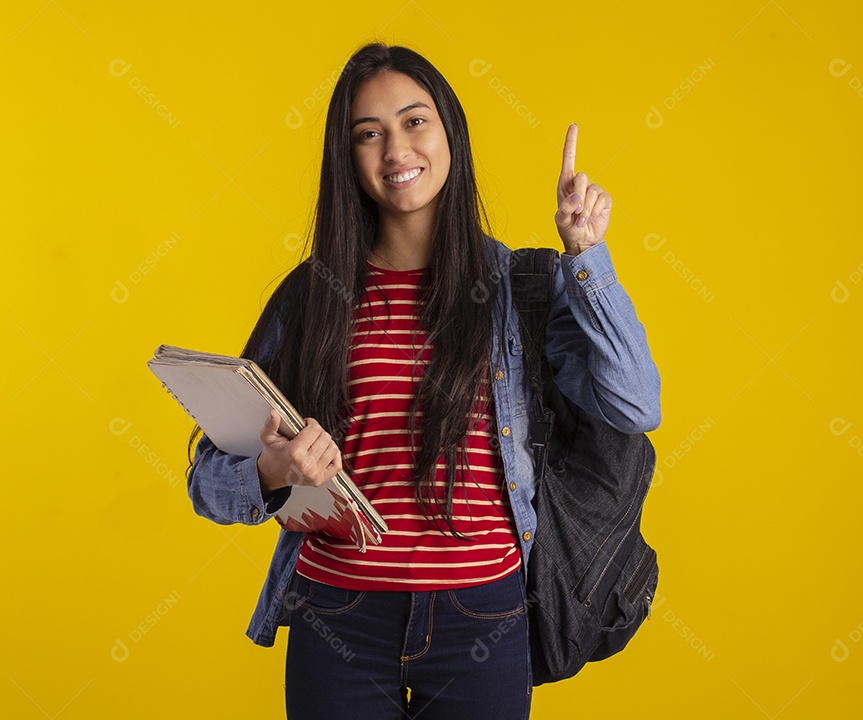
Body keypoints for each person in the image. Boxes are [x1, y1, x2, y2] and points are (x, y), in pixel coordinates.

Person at [184, 41, 660, 720]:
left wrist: (586, 256)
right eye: (368, 134)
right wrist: (272, 470)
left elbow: (634, 403)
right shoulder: (311, 296)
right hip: (339, 615)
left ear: (450, 135)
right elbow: (206, 480)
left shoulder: (520, 287)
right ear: (345, 158)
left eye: (414, 122)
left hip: (484, 614)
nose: (395, 150)